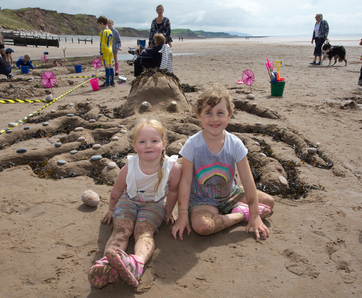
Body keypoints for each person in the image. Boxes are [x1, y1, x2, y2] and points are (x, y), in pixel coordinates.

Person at [171, 85, 275, 242]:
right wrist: (183, 214)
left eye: (220, 113)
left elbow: (247, 180)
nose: (214, 119)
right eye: (208, 113)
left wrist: (255, 216)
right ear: (199, 116)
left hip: (230, 194)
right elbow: (185, 182)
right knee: (202, 227)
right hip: (202, 200)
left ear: (229, 115)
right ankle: (241, 215)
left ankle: (241, 210)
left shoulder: (235, 144)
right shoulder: (192, 145)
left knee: (269, 202)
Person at [87, 119, 181, 288]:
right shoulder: (130, 166)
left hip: (154, 205)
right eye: (142, 141)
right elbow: (117, 190)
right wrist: (110, 209)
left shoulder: (171, 168)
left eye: (154, 141)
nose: (148, 145)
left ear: (164, 144)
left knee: (143, 231)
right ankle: (107, 263)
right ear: (135, 145)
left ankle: (136, 263)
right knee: (123, 228)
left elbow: (174, 191)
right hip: (127, 201)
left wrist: (168, 211)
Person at [97, 15, 114, 87]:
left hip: (105, 50)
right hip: (110, 49)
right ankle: (112, 81)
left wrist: (101, 53)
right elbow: (111, 42)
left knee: (106, 66)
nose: (99, 27)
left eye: (99, 25)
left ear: (101, 23)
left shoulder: (103, 32)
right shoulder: (110, 31)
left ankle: (107, 82)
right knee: (110, 65)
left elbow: (102, 44)